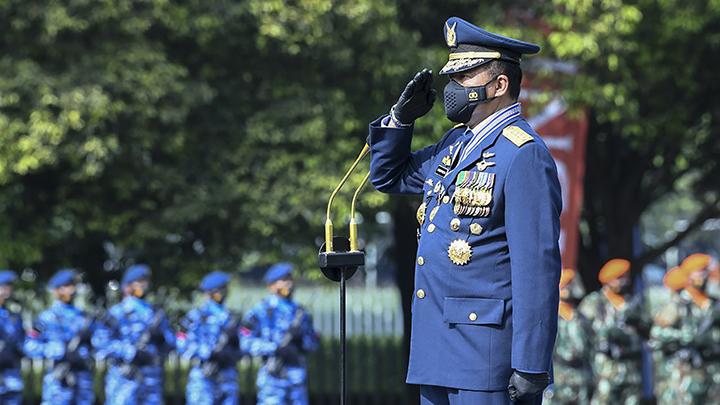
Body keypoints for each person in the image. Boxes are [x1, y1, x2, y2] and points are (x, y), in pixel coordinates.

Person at [367, 16, 561, 404]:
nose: (453, 88)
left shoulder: (522, 154)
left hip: (485, 358)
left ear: (499, 84)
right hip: (436, 350)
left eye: (466, 76)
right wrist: (400, 120)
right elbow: (388, 176)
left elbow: (536, 268)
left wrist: (530, 364)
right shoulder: (454, 145)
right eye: (452, 77)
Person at [93, 264, 175, 405]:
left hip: (151, 379)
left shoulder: (155, 314)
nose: (144, 286)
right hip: (124, 378)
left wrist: (162, 338)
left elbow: (171, 343)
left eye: (146, 282)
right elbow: (100, 343)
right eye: (139, 282)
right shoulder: (116, 313)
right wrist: (130, 351)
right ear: (127, 286)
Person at [242, 263, 319, 405]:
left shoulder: (301, 313)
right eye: (284, 280)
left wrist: (301, 342)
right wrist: (274, 348)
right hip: (272, 376)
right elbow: (245, 341)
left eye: (290, 279)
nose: (289, 284)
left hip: (297, 377)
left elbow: (313, 342)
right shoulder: (261, 311)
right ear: (272, 285)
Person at [578, 259, 646, 405]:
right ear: (608, 280)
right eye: (619, 278)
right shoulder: (594, 302)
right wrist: (608, 332)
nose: (624, 282)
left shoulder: (631, 303)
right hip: (605, 371)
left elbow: (646, 330)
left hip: (631, 372)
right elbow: (583, 332)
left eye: (625, 277)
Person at [24, 268, 96, 405]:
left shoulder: (84, 318)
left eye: (73, 286)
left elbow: (99, 344)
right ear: (57, 290)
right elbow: (30, 346)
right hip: (58, 380)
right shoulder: (46, 318)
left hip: (83, 380)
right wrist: (59, 351)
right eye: (67, 286)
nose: (71, 290)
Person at [178, 271, 241, 405]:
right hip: (203, 377)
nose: (225, 292)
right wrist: (207, 352)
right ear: (211, 292)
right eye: (221, 289)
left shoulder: (232, 318)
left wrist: (230, 353)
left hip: (227, 377)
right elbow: (181, 343)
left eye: (225, 288)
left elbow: (242, 345)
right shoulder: (195, 316)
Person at [544, 268, 594, 404]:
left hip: (581, 377)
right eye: (565, 286)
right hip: (559, 376)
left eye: (571, 285)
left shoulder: (582, 317)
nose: (569, 289)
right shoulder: (551, 317)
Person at [0, 270, 24, 405]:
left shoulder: (14, 317)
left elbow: (23, 343)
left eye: (9, 286)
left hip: (12, 379)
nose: (7, 290)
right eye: (4, 286)